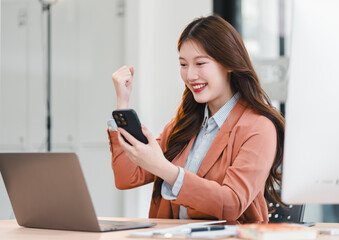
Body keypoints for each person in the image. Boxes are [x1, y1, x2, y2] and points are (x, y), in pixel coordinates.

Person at [107, 15, 284, 223]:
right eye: (183, 64)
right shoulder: (182, 124)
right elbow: (126, 176)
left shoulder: (259, 127)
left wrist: (164, 169)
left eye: (200, 63)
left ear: (229, 64)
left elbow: (232, 203)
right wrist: (123, 104)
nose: (190, 75)